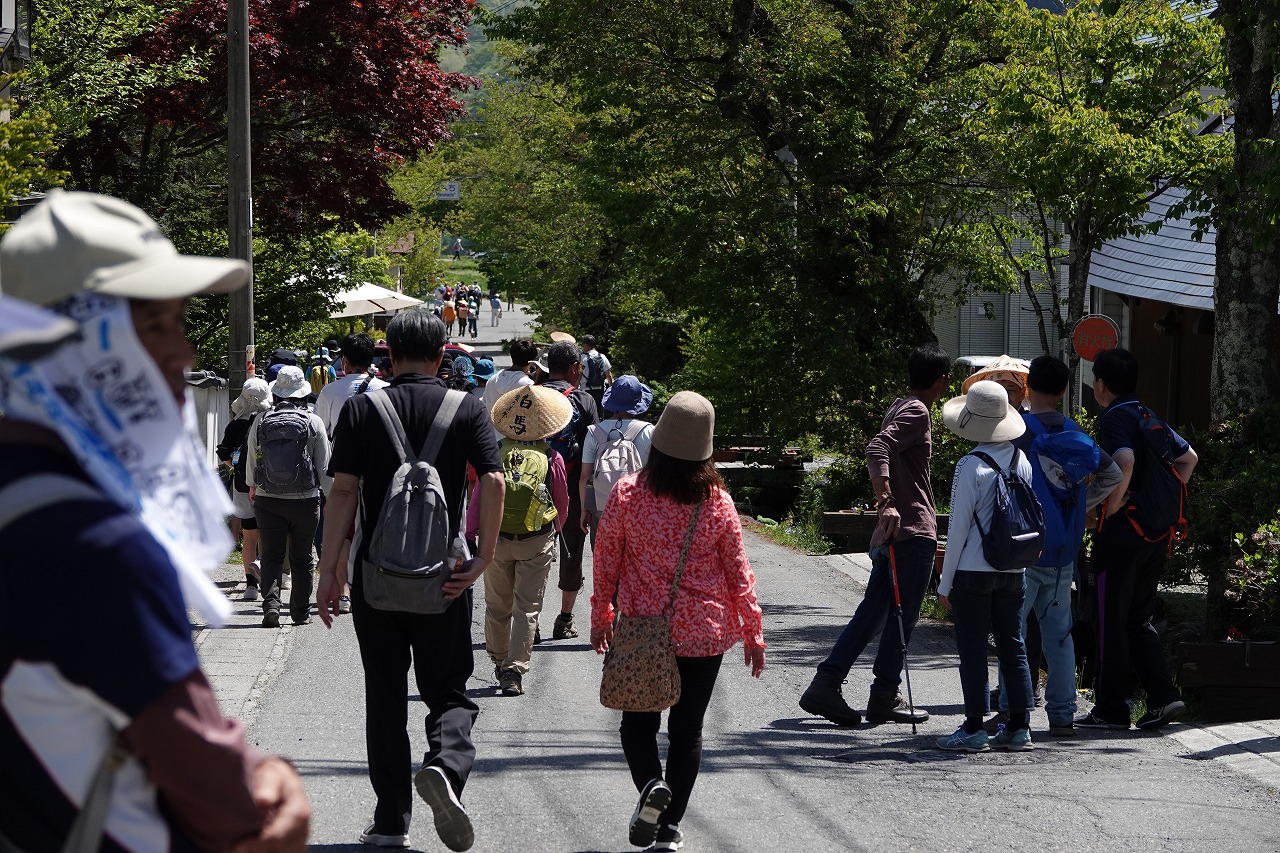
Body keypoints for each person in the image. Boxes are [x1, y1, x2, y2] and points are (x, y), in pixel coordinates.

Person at [0, 190, 309, 851]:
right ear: (77, 342)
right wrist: (274, 778)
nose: (182, 352)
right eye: (157, 325)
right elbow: (217, 790)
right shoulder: (95, 541)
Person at [316, 309, 503, 851]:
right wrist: (484, 557)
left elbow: (345, 492)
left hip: (376, 579)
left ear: (388, 356)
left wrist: (330, 571)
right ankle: (445, 765)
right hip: (443, 579)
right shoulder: (465, 406)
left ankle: (391, 821)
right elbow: (492, 480)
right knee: (447, 691)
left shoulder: (361, 408)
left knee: (385, 697)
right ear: (442, 356)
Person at [591, 391, 765, 853]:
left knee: (637, 725)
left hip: (645, 629)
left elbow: (606, 560)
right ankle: (667, 828)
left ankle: (651, 785)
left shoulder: (628, 494)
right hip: (704, 634)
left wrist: (600, 615)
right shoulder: (718, 503)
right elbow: (739, 572)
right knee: (687, 731)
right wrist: (753, 631)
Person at [799, 342, 952, 727]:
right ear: (943, 381)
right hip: (911, 530)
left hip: (894, 534)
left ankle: (831, 682)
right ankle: (881, 694)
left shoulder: (899, 406)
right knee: (902, 617)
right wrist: (886, 500)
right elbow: (878, 445)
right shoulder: (917, 411)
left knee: (875, 614)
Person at [990, 356, 1122, 737]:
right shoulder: (1075, 434)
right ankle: (1063, 715)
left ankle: (1012, 711)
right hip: (1065, 550)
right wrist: (1084, 503)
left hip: (1024, 547)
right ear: (1065, 389)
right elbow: (1112, 473)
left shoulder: (1017, 430)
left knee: (1012, 631)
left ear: (1028, 387)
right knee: (1059, 637)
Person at [1076, 347, 1197, 731]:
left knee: (1109, 620)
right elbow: (1188, 458)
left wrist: (1112, 506)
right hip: (1157, 535)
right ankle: (1164, 697)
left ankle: (1111, 709)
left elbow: (1124, 460)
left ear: (1100, 384)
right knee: (1137, 618)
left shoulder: (1112, 417)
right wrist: (1153, 503)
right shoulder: (1148, 414)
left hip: (1123, 535)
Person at [932, 380, 1038, 752]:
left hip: (974, 572)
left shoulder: (970, 466)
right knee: (1014, 645)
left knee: (973, 648)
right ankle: (1020, 726)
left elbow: (957, 530)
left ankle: (975, 727)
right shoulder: (1021, 460)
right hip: (1014, 568)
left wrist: (945, 583)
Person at [472, 385, 571, 696]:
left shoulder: (495, 451)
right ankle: (515, 671)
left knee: (496, 606)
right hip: (536, 540)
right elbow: (562, 504)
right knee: (527, 608)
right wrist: (553, 529)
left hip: (495, 540)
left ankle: (500, 662)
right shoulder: (551, 457)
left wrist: (470, 531)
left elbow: (478, 499)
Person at [246, 365, 331, 628]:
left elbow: (252, 456)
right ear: (301, 393)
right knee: (302, 558)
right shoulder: (313, 421)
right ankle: (300, 613)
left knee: (271, 554)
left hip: (267, 497)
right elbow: (324, 466)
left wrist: (252, 485)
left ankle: (271, 605)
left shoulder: (261, 420)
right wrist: (328, 497)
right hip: (305, 500)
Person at [315, 333, 389, 615]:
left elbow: (320, 431)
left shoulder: (330, 391)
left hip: (339, 470)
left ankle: (345, 592)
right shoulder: (385, 389)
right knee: (373, 526)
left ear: (344, 360)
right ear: (371, 360)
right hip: (378, 470)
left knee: (343, 530)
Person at [540, 341, 601, 640]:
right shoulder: (585, 400)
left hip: (533, 484)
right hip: (572, 485)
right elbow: (594, 450)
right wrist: (588, 498)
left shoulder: (532, 396)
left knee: (531, 552)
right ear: (576, 367)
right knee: (571, 550)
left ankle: (530, 622)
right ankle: (564, 620)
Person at [579, 374, 655, 546]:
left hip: (603, 508)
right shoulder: (649, 432)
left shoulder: (594, 432)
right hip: (637, 510)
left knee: (604, 565)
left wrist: (585, 508)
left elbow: (585, 477)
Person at [218, 377, 273, 601]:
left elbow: (223, 454)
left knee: (249, 535)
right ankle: (272, 579)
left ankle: (251, 585)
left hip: (243, 486)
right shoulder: (269, 420)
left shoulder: (236, 424)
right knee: (269, 534)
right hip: (270, 486)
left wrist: (237, 468)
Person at [483, 338, 537, 411]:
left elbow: (484, 404)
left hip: (490, 421)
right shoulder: (528, 385)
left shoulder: (493, 379)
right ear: (531, 361)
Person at [962, 354, 1030, 411]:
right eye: (996, 390)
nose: (1003, 396)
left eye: (1009, 391)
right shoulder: (976, 422)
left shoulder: (1028, 424)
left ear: (1022, 394)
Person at [579, 335, 614, 410]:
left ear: (586, 345)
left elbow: (578, 375)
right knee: (598, 414)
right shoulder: (602, 356)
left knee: (587, 413)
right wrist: (611, 390)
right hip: (600, 390)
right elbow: (609, 375)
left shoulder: (582, 358)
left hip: (585, 390)